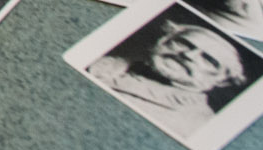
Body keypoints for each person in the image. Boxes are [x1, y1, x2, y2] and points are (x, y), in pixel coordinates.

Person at [90, 20, 252, 133]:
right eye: (185, 43)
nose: (189, 55)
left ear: (223, 80)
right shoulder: (101, 63)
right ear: (164, 40)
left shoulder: (198, 123)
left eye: (209, 60)